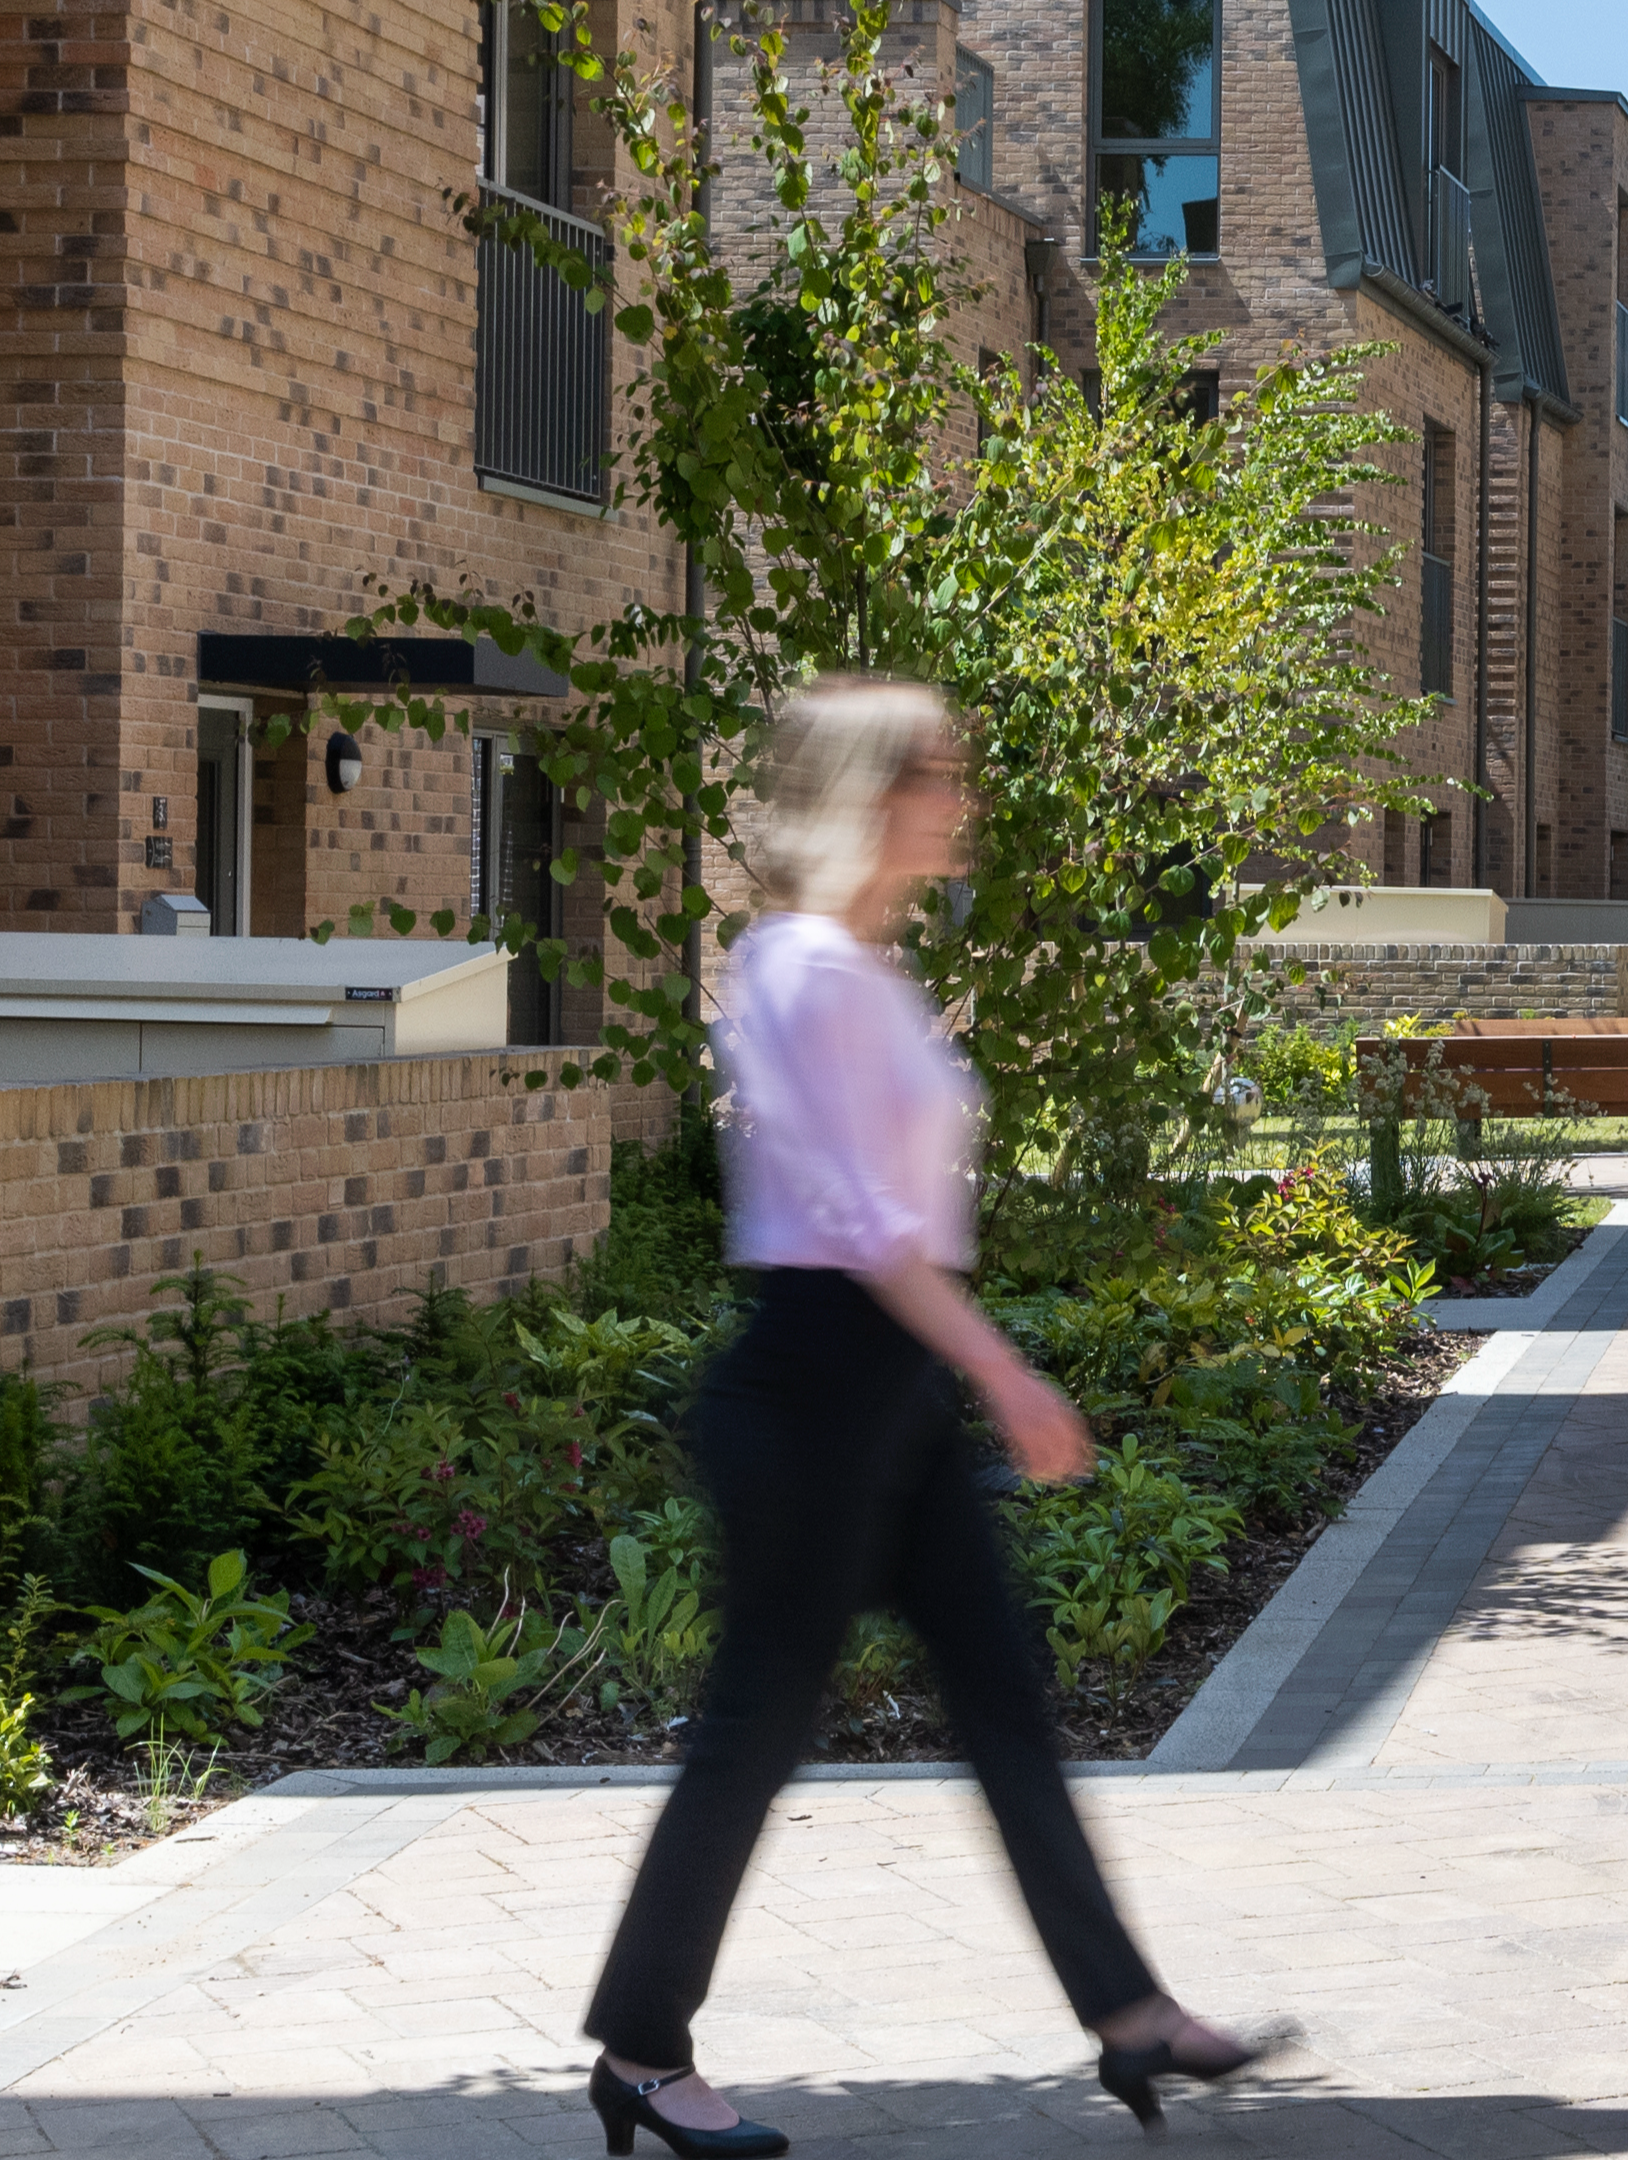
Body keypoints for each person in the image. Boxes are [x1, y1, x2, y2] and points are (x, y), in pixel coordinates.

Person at [581, 677, 1281, 2155]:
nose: (959, 800)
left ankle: (1128, 2013)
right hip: (817, 1376)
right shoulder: (797, 967)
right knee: (759, 1725)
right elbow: (859, 1218)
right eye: (937, 776)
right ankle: (642, 2046)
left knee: (1006, 1696)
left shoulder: (872, 968)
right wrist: (1006, 1369)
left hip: (884, 1382)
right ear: (868, 795)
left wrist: (956, 1368)